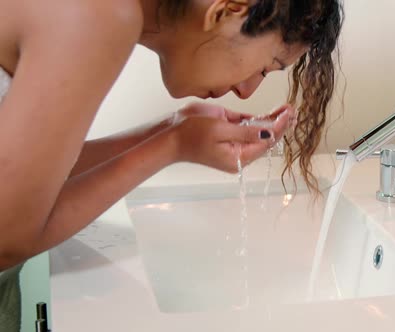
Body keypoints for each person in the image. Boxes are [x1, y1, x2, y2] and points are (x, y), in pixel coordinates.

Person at [0, 0, 343, 330]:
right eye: (266, 67)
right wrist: (173, 145)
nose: (247, 91)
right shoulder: (99, 15)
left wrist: (173, 130)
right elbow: (7, 238)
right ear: (230, 9)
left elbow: (30, 183)